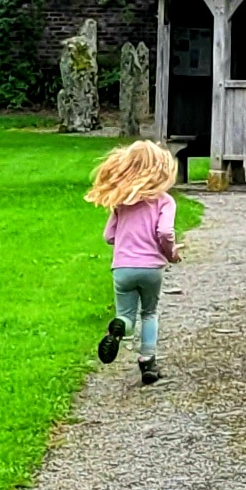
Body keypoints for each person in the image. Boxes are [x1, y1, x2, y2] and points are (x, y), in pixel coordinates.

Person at [85, 138, 180, 385]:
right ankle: (148, 362)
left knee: (126, 316)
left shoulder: (122, 202)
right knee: (149, 312)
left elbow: (109, 236)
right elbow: (165, 232)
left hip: (123, 268)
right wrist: (171, 253)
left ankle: (119, 327)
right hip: (151, 269)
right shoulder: (164, 201)